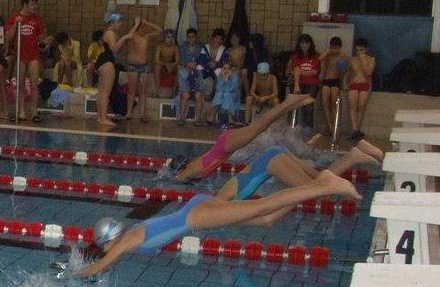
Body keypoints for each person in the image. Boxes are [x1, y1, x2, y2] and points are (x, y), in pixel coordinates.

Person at [75, 169, 360, 277]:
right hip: (195, 208)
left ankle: (324, 184)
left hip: (196, 214)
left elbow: (100, 266)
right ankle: (319, 186)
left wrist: (71, 276)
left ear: (107, 240)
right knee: (267, 218)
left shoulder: (123, 243)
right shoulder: (129, 235)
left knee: (265, 205)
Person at [171, 93, 314, 182]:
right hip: (224, 143)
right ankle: (291, 104)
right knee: (261, 125)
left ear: (180, 169)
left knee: (261, 125)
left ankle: (289, 101)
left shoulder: (189, 171)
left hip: (226, 146)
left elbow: (178, 179)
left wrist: (173, 178)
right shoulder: (192, 166)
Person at [214, 139, 383, 202]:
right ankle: (356, 152)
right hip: (272, 155)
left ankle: (352, 157)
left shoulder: (223, 202)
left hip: (273, 161)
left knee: (318, 190)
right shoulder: (221, 199)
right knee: (319, 180)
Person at [5, 0, 47, 122]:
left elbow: (41, 39)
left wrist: (45, 40)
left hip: (33, 55)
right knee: (20, 84)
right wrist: (16, 24)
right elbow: (8, 36)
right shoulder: (14, 18)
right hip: (20, 56)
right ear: (25, 5)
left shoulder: (37, 20)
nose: (35, 7)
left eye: (36, 4)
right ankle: (21, 111)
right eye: (33, 4)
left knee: (34, 84)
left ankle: (34, 111)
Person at [95, 12, 137, 127]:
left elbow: (121, 44)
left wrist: (134, 27)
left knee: (102, 91)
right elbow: (114, 49)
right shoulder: (110, 33)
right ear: (112, 22)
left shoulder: (110, 33)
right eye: (119, 22)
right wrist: (124, 38)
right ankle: (103, 118)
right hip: (107, 62)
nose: (121, 24)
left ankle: (100, 117)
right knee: (105, 92)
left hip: (104, 62)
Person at [122, 18, 161, 121]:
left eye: (143, 27)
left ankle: (142, 114)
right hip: (133, 66)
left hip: (144, 66)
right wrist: (136, 24)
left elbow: (159, 31)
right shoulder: (132, 36)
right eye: (141, 27)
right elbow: (128, 36)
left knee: (142, 91)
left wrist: (148, 23)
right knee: (132, 90)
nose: (143, 29)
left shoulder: (146, 36)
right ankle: (129, 113)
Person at [287, 34, 321, 130]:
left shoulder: (316, 56)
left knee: (308, 104)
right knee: (293, 102)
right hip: (298, 82)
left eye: (306, 43)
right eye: (302, 43)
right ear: (299, 44)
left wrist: (300, 72)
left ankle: (308, 126)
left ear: (310, 44)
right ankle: (291, 124)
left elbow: (314, 72)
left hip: (312, 83)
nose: (304, 45)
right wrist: (305, 72)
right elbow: (293, 71)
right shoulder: (295, 56)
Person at [197, 28, 229, 124]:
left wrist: (216, 65)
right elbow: (200, 60)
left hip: (216, 72)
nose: (217, 41)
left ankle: (208, 116)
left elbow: (225, 62)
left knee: (220, 72)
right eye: (216, 38)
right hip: (205, 72)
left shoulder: (224, 50)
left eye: (220, 39)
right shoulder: (205, 48)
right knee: (199, 68)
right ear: (213, 38)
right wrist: (208, 64)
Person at [346, 38, 375, 141]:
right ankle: (354, 129)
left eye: (361, 50)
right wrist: (345, 84)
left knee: (361, 106)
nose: (359, 52)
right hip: (354, 84)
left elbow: (368, 73)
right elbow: (348, 73)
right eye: (357, 50)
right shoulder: (352, 60)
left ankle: (357, 129)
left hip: (365, 84)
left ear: (366, 49)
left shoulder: (371, 59)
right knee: (353, 105)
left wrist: (363, 60)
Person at [319, 37, 346, 137]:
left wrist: (343, 85)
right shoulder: (327, 56)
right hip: (326, 81)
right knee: (325, 104)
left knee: (333, 105)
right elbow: (319, 60)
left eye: (336, 48)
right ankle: (330, 127)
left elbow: (343, 73)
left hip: (336, 82)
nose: (333, 50)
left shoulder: (343, 57)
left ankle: (333, 127)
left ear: (340, 48)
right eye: (332, 47)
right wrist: (327, 52)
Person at [176, 28, 204, 125]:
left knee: (198, 95)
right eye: (189, 37)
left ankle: (198, 119)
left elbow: (203, 61)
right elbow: (181, 60)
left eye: (193, 37)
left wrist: (196, 65)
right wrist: (187, 64)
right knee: (185, 95)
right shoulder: (182, 47)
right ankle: (182, 119)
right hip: (186, 73)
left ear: (196, 38)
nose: (191, 39)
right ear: (186, 38)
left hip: (197, 75)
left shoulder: (201, 48)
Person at [228, 31, 248, 98]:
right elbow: (229, 62)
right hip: (232, 68)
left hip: (241, 67)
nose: (234, 40)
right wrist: (232, 67)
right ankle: (237, 95)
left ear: (239, 39)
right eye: (232, 38)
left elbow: (244, 60)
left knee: (243, 72)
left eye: (236, 38)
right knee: (235, 72)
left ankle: (247, 95)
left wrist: (239, 67)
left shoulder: (243, 49)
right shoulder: (229, 50)